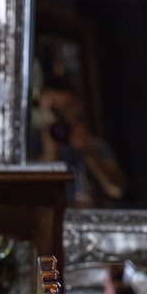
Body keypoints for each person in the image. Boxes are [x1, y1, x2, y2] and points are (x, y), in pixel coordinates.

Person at [34, 76, 126, 207]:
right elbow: (25, 194)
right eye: (53, 109)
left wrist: (87, 151)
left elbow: (116, 189)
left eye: (67, 107)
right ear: (40, 106)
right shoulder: (29, 147)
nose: (60, 116)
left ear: (78, 107)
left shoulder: (94, 145)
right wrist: (49, 155)